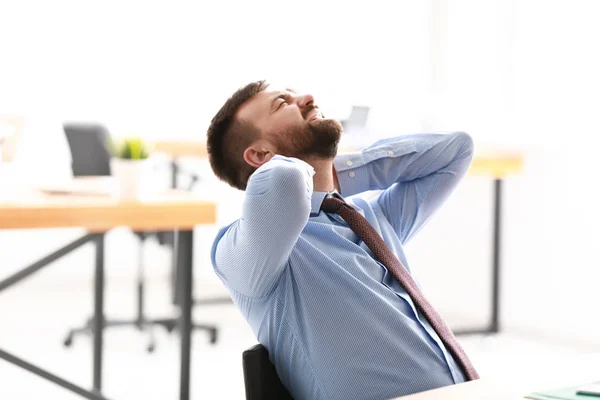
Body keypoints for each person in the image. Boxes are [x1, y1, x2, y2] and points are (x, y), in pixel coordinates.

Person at [207, 80, 477, 399]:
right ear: (260, 154)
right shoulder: (245, 254)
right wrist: (318, 172)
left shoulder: (370, 218)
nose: (306, 97)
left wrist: (337, 175)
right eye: (282, 104)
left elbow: (457, 150)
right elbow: (285, 180)